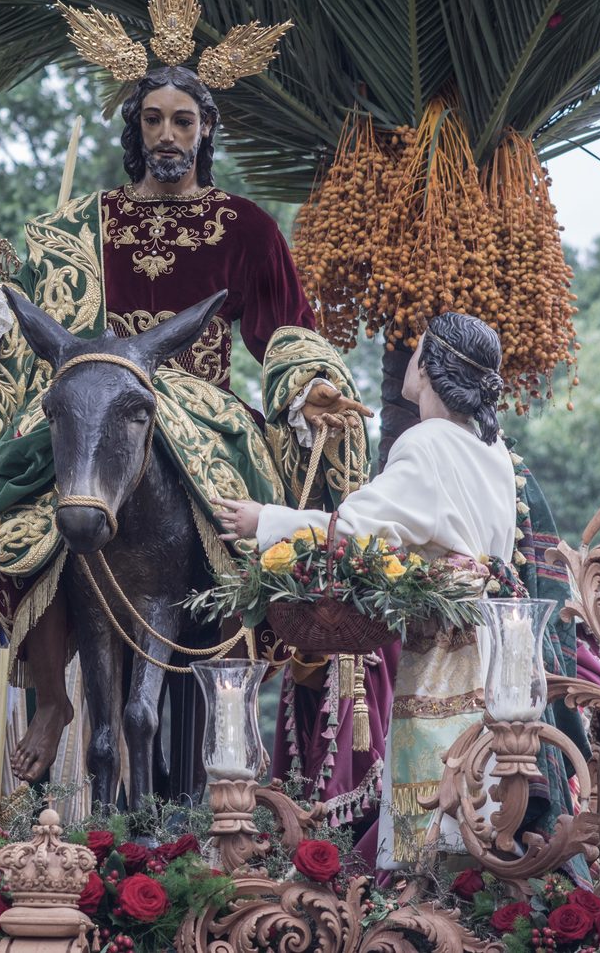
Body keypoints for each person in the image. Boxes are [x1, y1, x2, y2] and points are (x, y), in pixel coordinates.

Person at [0, 0, 371, 785]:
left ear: (207, 131)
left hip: (196, 407)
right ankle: (53, 688)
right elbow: (2, 356)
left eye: (184, 123)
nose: (169, 136)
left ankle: (233, 624)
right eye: (155, 121)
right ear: (135, 129)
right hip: (94, 389)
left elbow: (284, 332)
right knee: (9, 473)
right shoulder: (72, 229)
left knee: (232, 496)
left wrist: (308, 387)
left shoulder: (245, 228)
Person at [216, 312, 519, 868]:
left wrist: (266, 520)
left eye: (418, 345)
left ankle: (420, 904)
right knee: (484, 789)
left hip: (443, 647)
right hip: (494, 643)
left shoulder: (425, 442)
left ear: (427, 366)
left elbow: (354, 530)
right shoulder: (494, 449)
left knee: (432, 801)